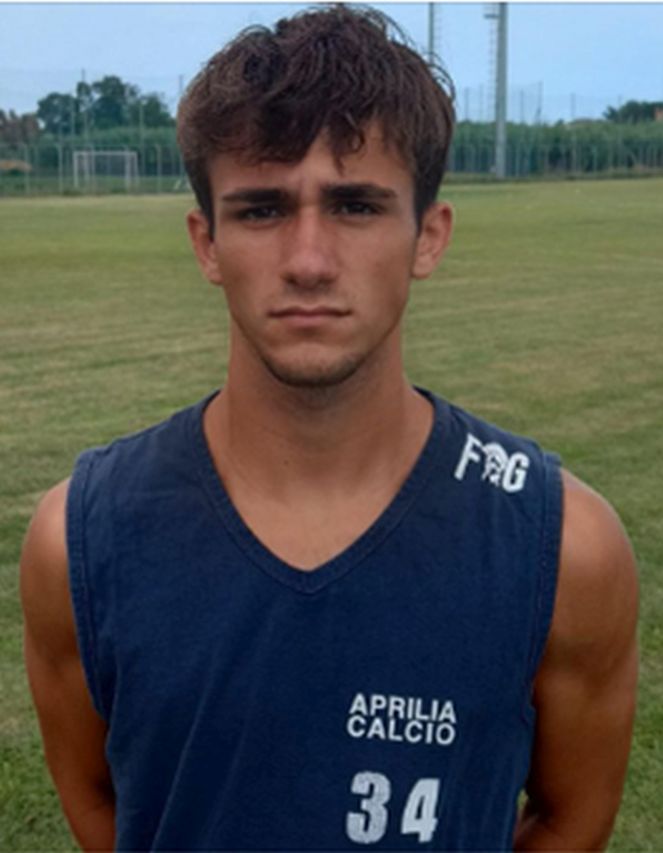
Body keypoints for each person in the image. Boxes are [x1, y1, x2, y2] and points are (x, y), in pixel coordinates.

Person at [20, 5, 638, 851]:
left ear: (427, 235)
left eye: (354, 205)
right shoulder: (79, 540)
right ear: (206, 243)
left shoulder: (563, 547)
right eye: (261, 210)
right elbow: (106, 807)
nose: (308, 260)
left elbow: (572, 816)